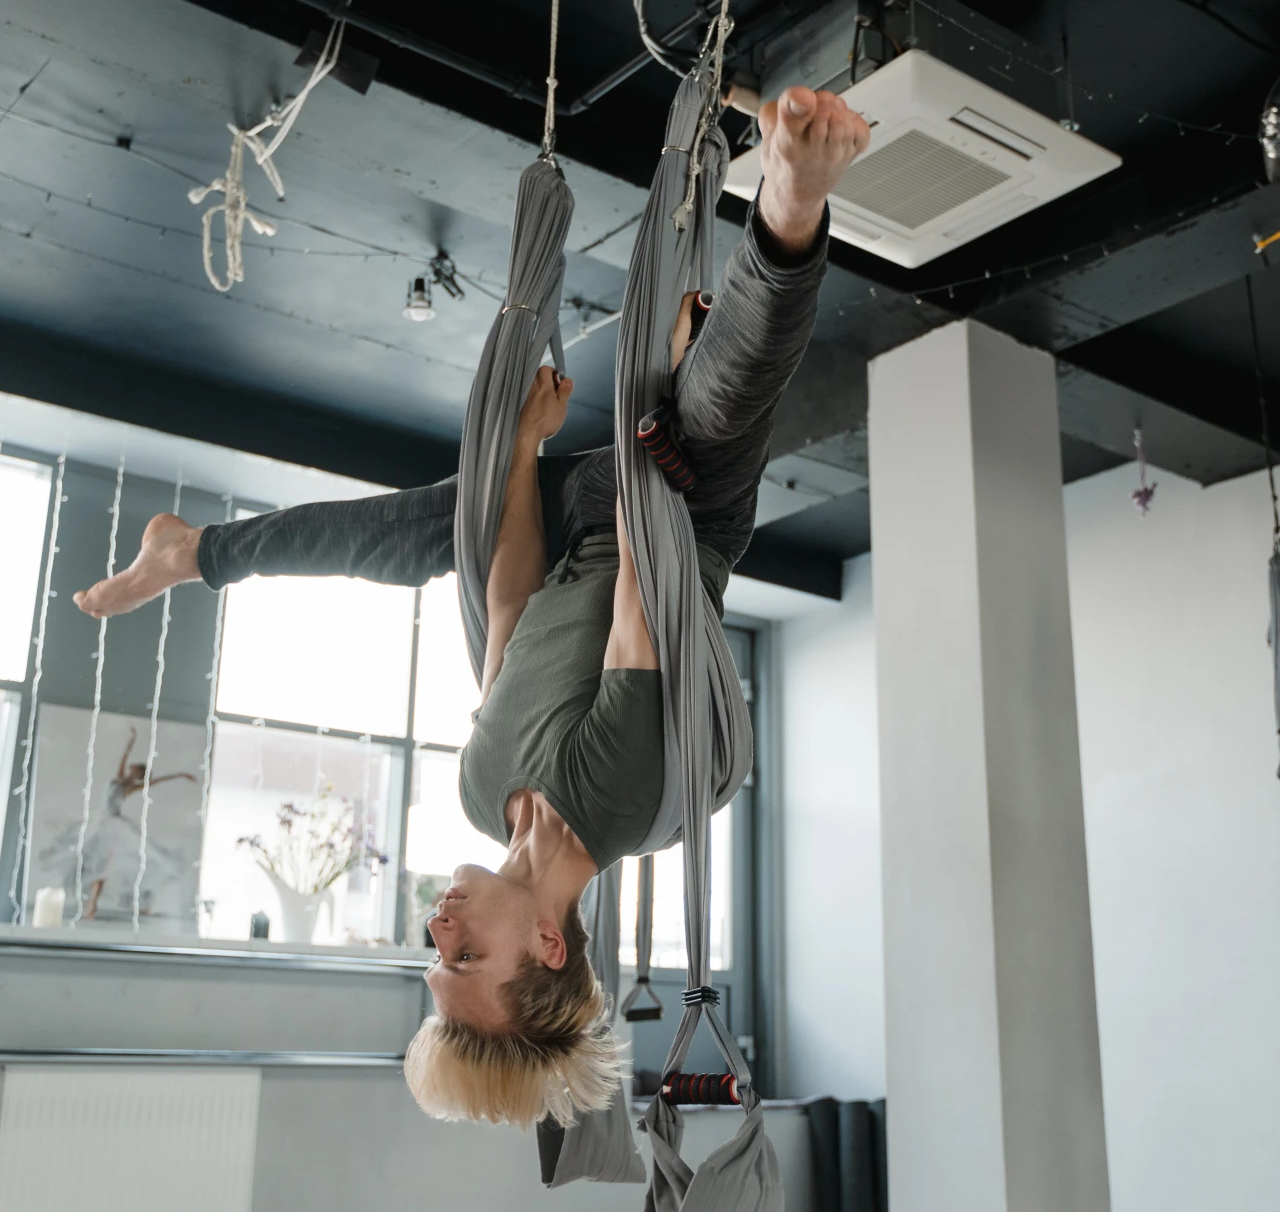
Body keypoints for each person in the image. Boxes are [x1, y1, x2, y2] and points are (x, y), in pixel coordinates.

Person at [73, 85, 869, 1127]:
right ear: (546, 944)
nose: (438, 929)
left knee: (411, 539)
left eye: (430, 957)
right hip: (673, 515)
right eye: (464, 955)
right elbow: (643, 591)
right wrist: (657, 399)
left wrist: (526, 445)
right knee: (725, 394)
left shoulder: (479, 788)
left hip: (579, 516)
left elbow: (505, 597)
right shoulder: (617, 804)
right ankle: (792, 201)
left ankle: (195, 552)